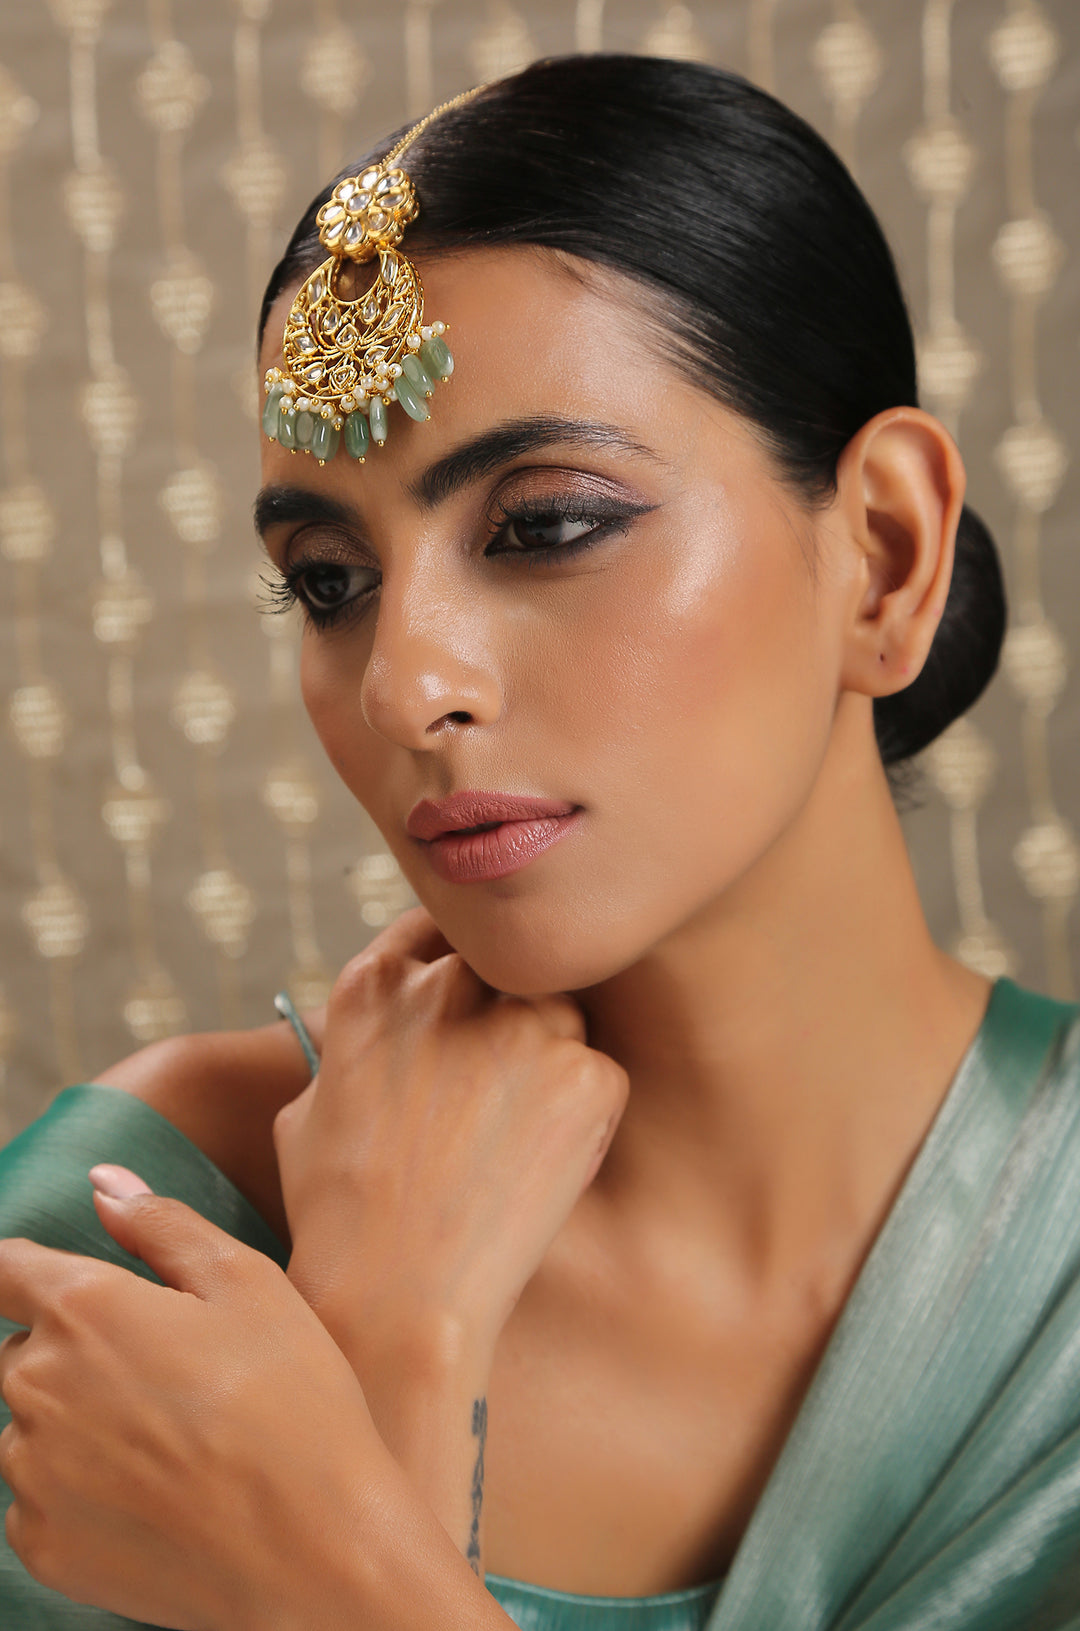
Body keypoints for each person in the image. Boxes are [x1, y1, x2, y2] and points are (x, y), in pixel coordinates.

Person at [0, 51, 1077, 1631]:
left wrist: (343, 1530)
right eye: (329, 581)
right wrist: (387, 1333)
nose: (404, 683)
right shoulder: (138, 1240)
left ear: (883, 554)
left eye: (546, 525)